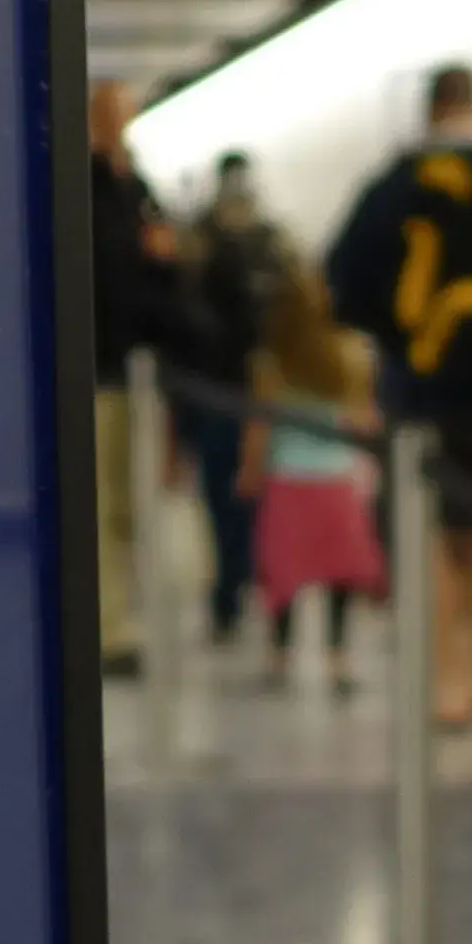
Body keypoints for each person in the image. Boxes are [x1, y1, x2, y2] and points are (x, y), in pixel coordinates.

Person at [327, 64, 472, 728]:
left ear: (431, 110)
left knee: (423, 534)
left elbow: (345, 281)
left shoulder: (402, 184)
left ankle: (443, 680)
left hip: (421, 386)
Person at [241, 265, 386, 693]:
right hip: (336, 478)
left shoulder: (269, 363)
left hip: (288, 478)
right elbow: (364, 418)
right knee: (340, 577)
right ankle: (337, 658)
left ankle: (280, 656)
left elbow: (259, 426)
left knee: (282, 575)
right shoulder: (352, 352)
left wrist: (250, 471)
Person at [89, 79, 191, 680]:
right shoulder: (81, 186)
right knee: (97, 504)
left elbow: (163, 271)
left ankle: (122, 618)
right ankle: (105, 625)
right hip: (95, 369)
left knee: (129, 504)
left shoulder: (139, 191)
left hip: (138, 370)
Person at [182, 153, 286, 643]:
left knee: (249, 504)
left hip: (247, 392)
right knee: (229, 503)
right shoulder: (214, 242)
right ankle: (233, 592)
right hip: (222, 393)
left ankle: (243, 591)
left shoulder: (262, 241)